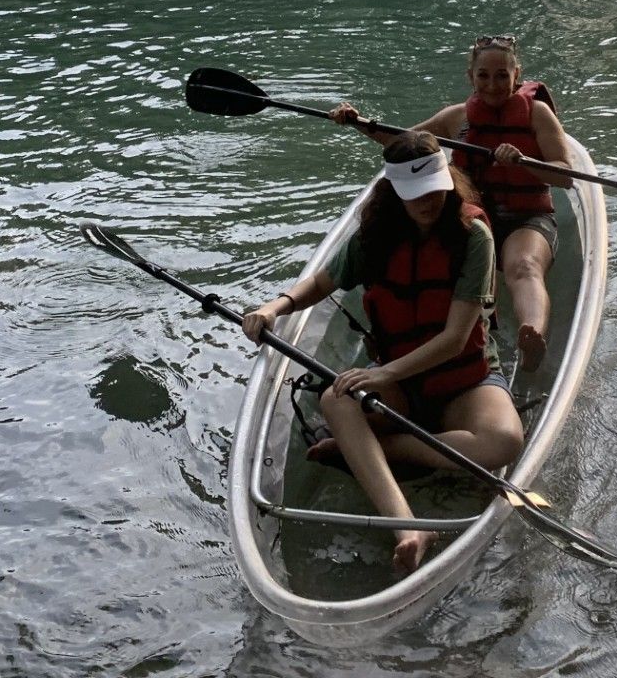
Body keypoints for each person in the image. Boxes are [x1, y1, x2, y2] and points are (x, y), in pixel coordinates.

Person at [240, 131, 525, 573]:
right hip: (401, 383)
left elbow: (453, 338)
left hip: (464, 380)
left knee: (504, 441)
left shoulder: (474, 236)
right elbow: (321, 282)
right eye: (415, 195)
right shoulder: (375, 235)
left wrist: (384, 374)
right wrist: (275, 307)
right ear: (394, 192)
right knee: (336, 397)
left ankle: (375, 449)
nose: (427, 201)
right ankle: (407, 526)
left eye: (434, 188)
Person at [331, 35, 571, 373]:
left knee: (523, 267)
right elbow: (402, 141)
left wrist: (524, 162)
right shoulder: (456, 117)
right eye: (484, 75)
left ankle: (531, 332)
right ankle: (432, 336)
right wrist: (358, 123)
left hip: (525, 217)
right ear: (470, 76)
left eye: (502, 75)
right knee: (438, 272)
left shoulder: (537, 114)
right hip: (470, 216)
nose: (492, 85)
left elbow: (565, 176)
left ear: (517, 75)